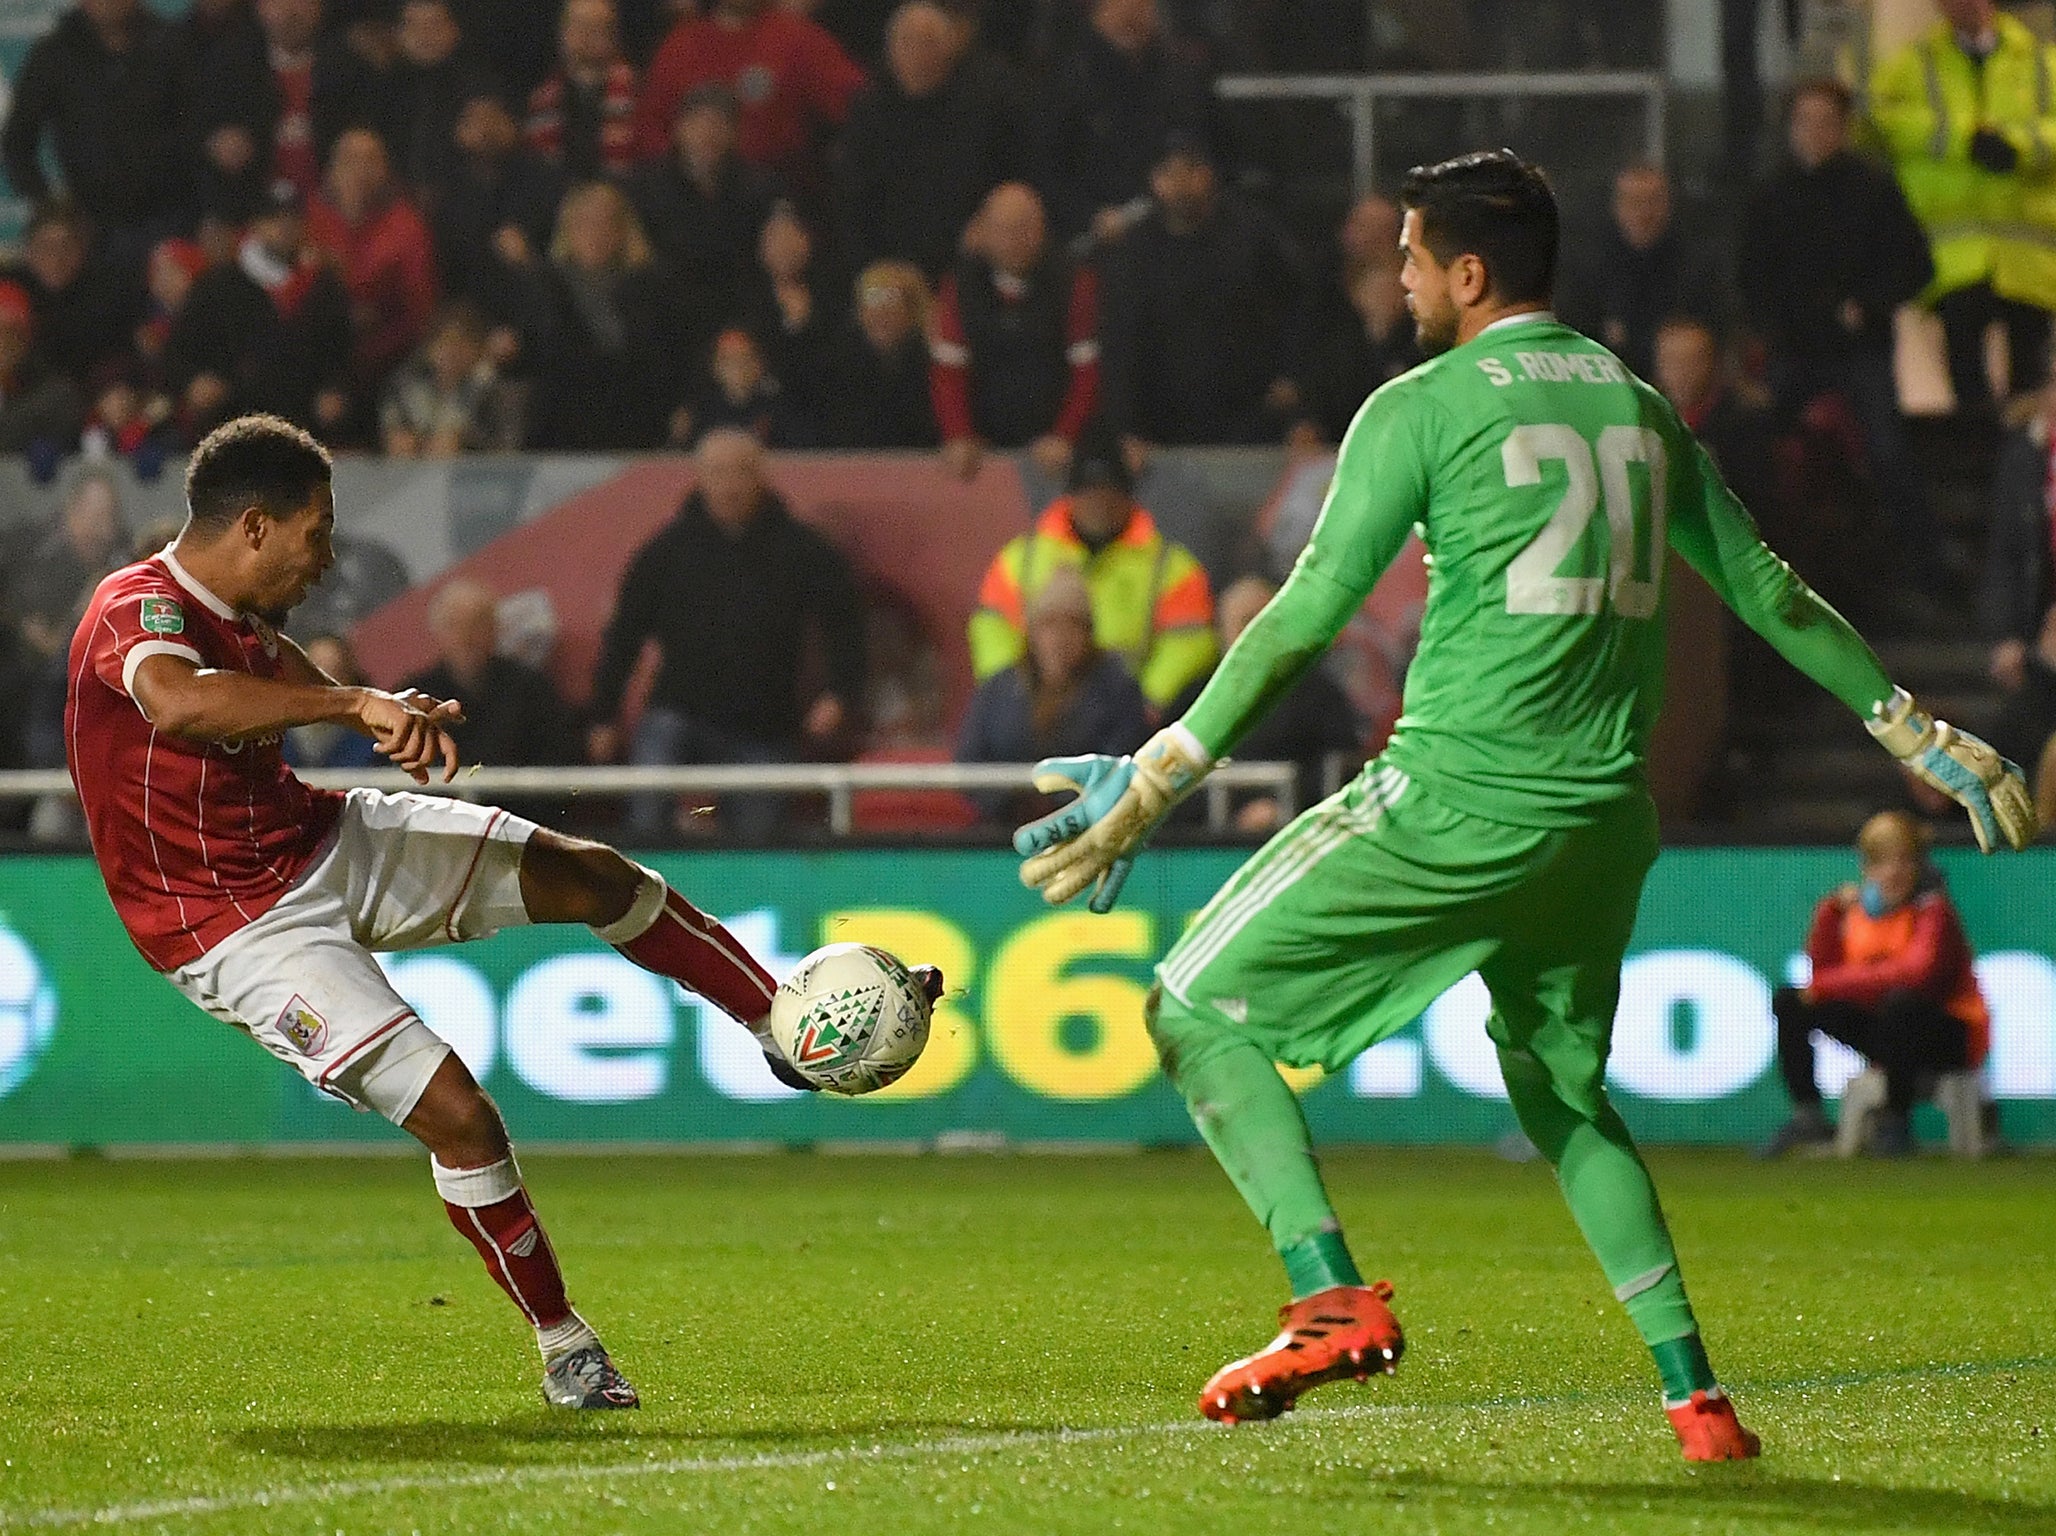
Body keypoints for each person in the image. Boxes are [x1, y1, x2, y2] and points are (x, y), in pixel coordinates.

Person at [1011, 148, 2036, 1463]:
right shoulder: (1641, 406)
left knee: (1192, 1008)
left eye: (1412, 258)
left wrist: (1160, 771)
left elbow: (1309, 613)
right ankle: (1698, 1404)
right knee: (1563, 1099)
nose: (1398, 279)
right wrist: (1920, 731)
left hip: (1455, 794)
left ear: (1469, 271)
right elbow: (1768, 590)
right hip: (1604, 820)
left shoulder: (1421, 405)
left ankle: (1329, 1299)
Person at [63, 413, 939, 1407]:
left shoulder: (245, 617)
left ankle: (775, 1023)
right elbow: (180, 704)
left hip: (315, 839)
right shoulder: (136, 609)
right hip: (230, 929)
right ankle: (566, 1348)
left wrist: (375, 699)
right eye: (316, 533)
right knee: (462, 1117)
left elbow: (273, 671)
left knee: (592, 872)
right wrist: (352, 710)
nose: (327, 558)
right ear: (255, 527)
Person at [586, 429, 865, 840]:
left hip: (765, 723)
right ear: (699, 478)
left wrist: (839, 693)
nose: (730, 485)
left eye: (741, 472)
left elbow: (844, 624)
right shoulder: (666, 552)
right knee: (647, 809)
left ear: (761, 477)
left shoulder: (803, 551)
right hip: (678, 713)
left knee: (758, 842)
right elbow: (624, 634)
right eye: (718, 472)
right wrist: (603, 715)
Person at [1741, 77, 1946, 588]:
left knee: (1889, 453)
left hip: (1860, 351)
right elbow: (1751, 275)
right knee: (1755, 442)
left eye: (1826, 122)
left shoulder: (1872, 189)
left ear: (1844, 128)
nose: (1816, 133)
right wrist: (1773, 326)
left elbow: (1918, 265)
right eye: (1805, 122)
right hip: (1795, 350)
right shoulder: (1771, 195)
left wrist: (1870, 307)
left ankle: (1925, 572)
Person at [1762, 812, 1990, 1159]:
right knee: (1791, 1001)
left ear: (1918, 866)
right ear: (1867, 869)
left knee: (1902, 1004)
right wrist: (1829, 913)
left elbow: (1916, 974)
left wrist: (1827, 985)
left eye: (1904, 860)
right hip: (1887, 1031)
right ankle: (1807, 1113)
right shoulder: (1858, 914)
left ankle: (1896, 1118)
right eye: (1883, 862)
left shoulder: (1933, 911)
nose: (1894, 872)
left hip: (1948, 1035)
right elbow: (1822, 971)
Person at [1871, 0, 2056, 420]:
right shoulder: (1915, 63)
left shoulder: (2042, 62)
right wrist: (1965, 140)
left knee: (2029, 368)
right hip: (1957, 254)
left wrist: (2018, 146)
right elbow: (1886, 121)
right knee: (1963, 362)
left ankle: (2023, 459)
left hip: (2028, 253)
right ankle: (1982, 453)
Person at [969, 424, 1215, 710]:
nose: (1100, 504)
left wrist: (1146, 701)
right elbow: (991, 628)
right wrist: (1015, 695)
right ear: (1070, 497)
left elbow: (1190, 643)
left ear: (1128, 498)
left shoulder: (1172, 567)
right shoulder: (1019, 559)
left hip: (1132, 717)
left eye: (1109, 493)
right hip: (1036, 710)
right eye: (1089, 494)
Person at [1097, 134, 1308, 447]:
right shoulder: (1136, 250)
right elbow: (1121, 344)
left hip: (1250, 416)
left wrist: (1294, 379)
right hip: (1163, 423)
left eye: (1191, 170)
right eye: (1169, 172)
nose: (1181, 184)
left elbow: (1297, 309)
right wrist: (1127, 429)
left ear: (1209, 174)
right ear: (1153, 180)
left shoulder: (1252, 237)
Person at [836, 0, 1033, 280]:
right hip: (890, 265)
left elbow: (1014, 172)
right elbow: (853, 200)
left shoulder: (987, 103)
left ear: (949, 48)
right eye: (906, 43)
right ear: (890, 51)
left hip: (970, 260)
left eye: (928, 43)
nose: (916, 55)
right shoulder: (869, 111)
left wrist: (988, 223)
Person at [929, 182, 1100, 482]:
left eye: (1024, 229)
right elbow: (949, 372)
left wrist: (1065, 436)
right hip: (985, 451)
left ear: (1042, 230)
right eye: (1003, 231)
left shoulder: (1075, 283)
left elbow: (1088, 373)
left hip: (1058, 453)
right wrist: (958, 434)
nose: (1014, 241)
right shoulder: (959, 287)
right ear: (981, 231)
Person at [956, 565, 1151, 822]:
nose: (1060, 638)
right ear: (1032, 632)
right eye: (1049, 625)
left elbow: (1122, 762)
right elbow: (970, 759)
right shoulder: (999, 690)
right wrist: (1010, 802)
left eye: (1072, 625)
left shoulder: (1117, 691)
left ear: (1088, 634)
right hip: (1001, 832)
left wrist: (1061, 806)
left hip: (1090, 831)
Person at [1168, 575, 1362, 832]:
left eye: (1264, 621)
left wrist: (1284, 806)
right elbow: (1171, 778)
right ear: (1221, 629)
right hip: (1204, 848)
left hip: (1297, 835)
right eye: (1244, 622)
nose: (1253, 635)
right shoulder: (1193, 698)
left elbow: (1339, 770)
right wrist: (1234, 813)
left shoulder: (1319, 694)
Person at [0, 0, 190, 261]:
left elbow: (198, 130)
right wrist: (51, 208)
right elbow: (17, 141)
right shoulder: (56, 52)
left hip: (168, 221)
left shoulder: (170, 45)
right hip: (89, 226)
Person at [166, 182, 355, 439]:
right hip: (232, 425)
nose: (284, 227)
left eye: (292, 219)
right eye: (274, 218)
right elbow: (180, 352)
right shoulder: (219, 285)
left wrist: (337, 390)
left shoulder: (323, 286)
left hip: (306, 429)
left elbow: (344, 351)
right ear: (256, 225)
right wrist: (195, 382)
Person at [513, 179, 685, 449]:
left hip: (637, 424)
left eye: (606, 222)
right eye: (585, 223)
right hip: (562, 428)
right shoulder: (544, 285)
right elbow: (531, 355)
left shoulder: (651, 286)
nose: (596, 232)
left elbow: (667, 356)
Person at [633, 0, 866, 191]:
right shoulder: (679, 46)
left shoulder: (798, 39)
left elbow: (858, 105)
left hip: (779, 195)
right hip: (689, 197)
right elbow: (649, 128)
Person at [1044, 0, 1214, 242]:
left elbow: (1203, 141)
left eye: (1142, 6)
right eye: (1122, 5)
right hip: (1096, 232)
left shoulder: (1178, 75)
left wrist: (1191, 180)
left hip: (1175, 223)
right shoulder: (1067, 79)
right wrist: (1091, 216)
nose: (1132, 14)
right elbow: (1049, 170)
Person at [628, 84, 780, 354]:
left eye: (719, 124)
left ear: (734, 133)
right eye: (699, 123)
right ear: (679, 129)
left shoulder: (759, 187)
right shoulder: (645, 187)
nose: (708, 134)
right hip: (669, 316)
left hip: (739, 312)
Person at [305, 127, 441, 399]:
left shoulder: (406, 226)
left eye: (370, 160)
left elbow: (420, 307)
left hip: (385, 360)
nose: (360, 170)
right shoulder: (310, 219)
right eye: (350, 159)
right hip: (314, 361)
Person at [1558, 163, 1724, 382]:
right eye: (1634, 202)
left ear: (1668, 205)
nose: (1644, 213)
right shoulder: (1587, 267)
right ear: (1617, 206)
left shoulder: (1695, 265)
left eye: (1653, 202)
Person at [816, 260, 940, 448]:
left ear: (912, 310)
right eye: (872, 300)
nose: (881, 312)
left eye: (891, 300)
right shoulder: (838, 365)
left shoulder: (933, 367)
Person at [379, 301, 520, 456]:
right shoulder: (405, 386)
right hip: (413, 473)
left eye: (461, 344)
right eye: (444, 343)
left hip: (474, 471)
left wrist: (461, 442)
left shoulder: (493, 391)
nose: (451, 353)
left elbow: (504, 445)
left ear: (477, 349)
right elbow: (395, 430)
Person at [526, 0, 641, 180]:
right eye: (578, 25)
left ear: (613, 37)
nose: (585, 36)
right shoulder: (542, 101)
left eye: (596, 28)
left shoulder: (637, 92)